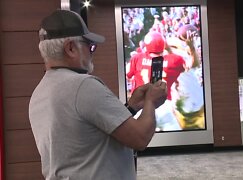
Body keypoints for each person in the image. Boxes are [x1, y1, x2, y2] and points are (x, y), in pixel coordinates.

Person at [28, 9, 167, 180]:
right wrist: (151, 102)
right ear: (70, 48)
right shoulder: (83, 86)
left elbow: (90, 135)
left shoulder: (40, 91)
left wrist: (131, 107)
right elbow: (140, 138)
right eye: (90, 46)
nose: (93, 52)